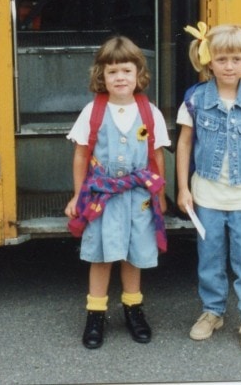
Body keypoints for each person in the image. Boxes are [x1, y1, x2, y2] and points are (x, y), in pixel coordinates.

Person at [176, 22, 241, 352]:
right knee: (210, 258)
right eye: (221, 60)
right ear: (208, 62)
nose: (229, 66)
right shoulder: (195, 99)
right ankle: (213, 311)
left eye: (235, 58)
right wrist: (183, 189)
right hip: (206, 196)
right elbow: (185, 144)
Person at [65, 36, 169, 349]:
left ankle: (133, 309)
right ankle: (95, 313)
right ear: (102, 76)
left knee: (134, 252)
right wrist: (77, 195)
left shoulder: (150, 113)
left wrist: (161, 195)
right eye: (112, 72)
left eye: (126, 70)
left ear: (139, 74)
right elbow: (82, 155)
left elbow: (157, 156)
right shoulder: (92, 112)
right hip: (102, 197)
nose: (120, 77)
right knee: (101, 254)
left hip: (139, 197)